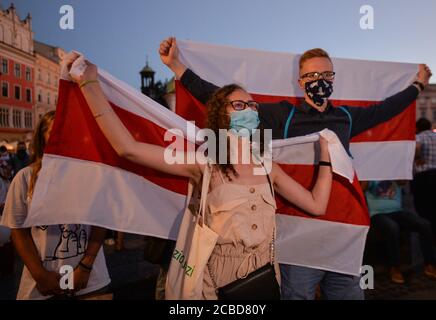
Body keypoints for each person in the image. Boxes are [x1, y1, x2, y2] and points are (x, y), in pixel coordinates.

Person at [158, 37, 433, 300]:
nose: (319, 81)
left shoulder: (347, 117)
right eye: (312, 76)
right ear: (301, 82)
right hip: (299, 236)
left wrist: (419, 85)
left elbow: (388, 108)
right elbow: (219, 99)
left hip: (343, 234)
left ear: (334, 79)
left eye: (326, 75)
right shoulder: (282, 114)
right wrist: (177, 67)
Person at [66, 53, 333, 299]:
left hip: (264, 280)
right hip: (214, 284)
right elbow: (129, 149)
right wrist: (89, 84)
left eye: (252, 105)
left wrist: (325, 154)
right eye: (239, 105)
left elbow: (316, 204)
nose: (249, 110)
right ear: (222, 116)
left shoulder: (268, 166)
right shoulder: (206, 163)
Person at [0, 111, 112, 300]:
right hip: (41, 284)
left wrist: (85, 267)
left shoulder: (91, 176)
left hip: (90, 281)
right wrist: (40, 275)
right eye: (55, 130)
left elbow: (101, 221)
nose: (63, 135)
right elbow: (18, 230)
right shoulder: (24, 179)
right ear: (42, 137)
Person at [362, 180, 436, 284]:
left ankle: (430, 264)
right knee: (392, 227)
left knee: (424, 225)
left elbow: (403, 182)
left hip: (397, 211)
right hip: (377, 214)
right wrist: (369, 178)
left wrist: (397, 175)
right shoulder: (371, 172)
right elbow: (362, 189)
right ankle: (394, 268)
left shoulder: (395, 169)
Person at [412, 118, 436, 235]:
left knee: (424, 208)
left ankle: (428, 233)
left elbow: (416, 148)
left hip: (424, 176)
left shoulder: (419, 137)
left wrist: (417, 157)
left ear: (417, 128)